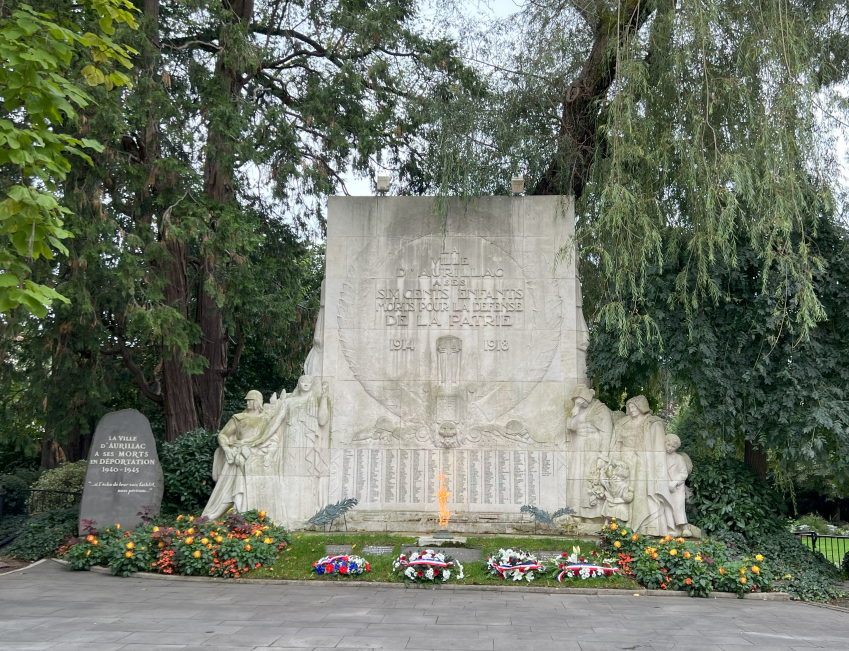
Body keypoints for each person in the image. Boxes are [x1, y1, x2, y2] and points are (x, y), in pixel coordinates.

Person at [202, 390, 287, 520]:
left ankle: (246, 515)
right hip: (239, 454)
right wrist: (226, 449)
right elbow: (223, 435)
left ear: (258, 401)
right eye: (247, 400)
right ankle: (232, 514)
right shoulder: (238, 418)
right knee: (231, 484)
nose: (248, 402)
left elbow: (273, 436)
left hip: (259, 456)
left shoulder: (266, 418)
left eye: (251, 400)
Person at [609, 395, 673, 535]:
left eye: (634, 407)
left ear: (641, 407)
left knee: (640, 492)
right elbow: (615, 446)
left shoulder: (651, 423)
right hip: (623, 463)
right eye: (629, 407)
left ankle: (643, 526)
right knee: (623, 493)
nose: (631, 410)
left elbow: (657, 448)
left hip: (641, 462)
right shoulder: (622, 424)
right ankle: (623, 522)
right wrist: (616, 460)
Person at [565, 384, 613, 519]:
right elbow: (571, 427)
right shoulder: (577, 410)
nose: (581, 403)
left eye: (582, 400)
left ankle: (593, 515)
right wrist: (576, 408)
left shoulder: (600, 409)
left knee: (591, 479)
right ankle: (576, 511)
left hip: (593, 448)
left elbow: (606, 433)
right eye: (578, 400)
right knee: (577, 477)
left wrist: (603, 456)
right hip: (579, 447)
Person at [664, 433, 693, 537]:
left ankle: (684, 528)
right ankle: (670, 528)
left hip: (676, 487)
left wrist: (675, 482)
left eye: (673, 447)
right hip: (664, 487)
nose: (670, 448)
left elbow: (684, 473)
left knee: (678, 507)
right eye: (668, 445)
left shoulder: (679, 458)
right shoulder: (659, 457)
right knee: (666, 507)